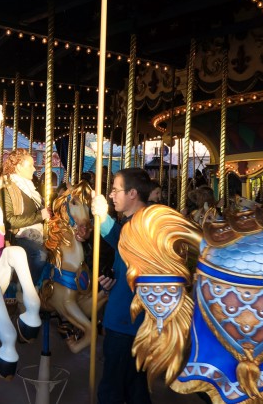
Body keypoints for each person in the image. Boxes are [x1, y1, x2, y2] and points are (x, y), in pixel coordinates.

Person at [91, 167, 153, 404]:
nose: (111, 195)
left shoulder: (142, 225)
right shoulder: (134, 223)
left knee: (112, 390)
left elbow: (127, 246)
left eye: (116, 190)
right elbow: (122, 248)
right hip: (126, 315)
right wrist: (112, 282)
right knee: (133, 388)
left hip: (127, 319)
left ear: (132, 194)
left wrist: (103, 217)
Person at [0, 149, 51, 285]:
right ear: (19, 167)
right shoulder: (6, 187)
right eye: (30, 165)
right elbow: (8, 220)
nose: (34, 169)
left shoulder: (29, 188)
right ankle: (26, 289)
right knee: (40, 256)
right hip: (16, 236)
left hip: (36, 233)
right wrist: (40, 216)